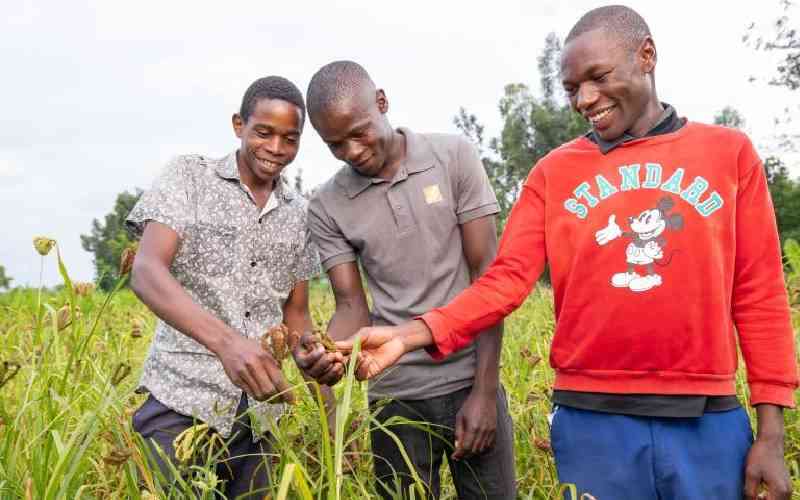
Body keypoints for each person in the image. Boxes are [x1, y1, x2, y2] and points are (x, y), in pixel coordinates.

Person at [331, 7, 798, 500]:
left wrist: (770, 433)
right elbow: (504, 279)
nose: (585, 99)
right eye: (573, 88)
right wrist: (409, 335)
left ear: (646, 55)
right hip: (592, 417)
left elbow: (759, 294)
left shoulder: (728, 154)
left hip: (706, 416)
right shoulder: (554, 172)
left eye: (598, 77)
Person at [292, 60, 516, 499]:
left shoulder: (453, 158)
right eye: (335, 144)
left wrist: (485, 393)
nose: (352, 151)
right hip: (396, 398)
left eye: (358, 133)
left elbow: (488, 281)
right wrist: (327, 352)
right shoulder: (327, 204)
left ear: (381, 102)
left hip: (470, 381)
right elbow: (351, 306)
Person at [126, 76, 323, 498]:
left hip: (261, 420)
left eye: (290, 139)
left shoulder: (300, 214)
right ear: (239, 125)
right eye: (263, 133)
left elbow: (297, 312)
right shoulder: (188, 178)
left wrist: (325, 398)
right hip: (181, 403)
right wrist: (228, 344)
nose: (275, 149)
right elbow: (146, 271)